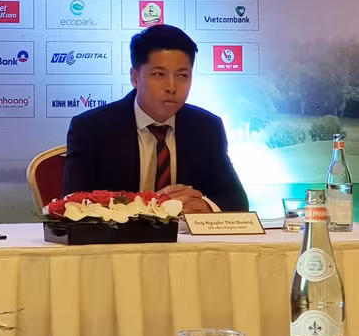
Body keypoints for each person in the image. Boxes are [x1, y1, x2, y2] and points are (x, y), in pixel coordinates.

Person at [62, 24, 248, 213]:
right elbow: (75, 204)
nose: (171, 87)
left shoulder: (207, 127)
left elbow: (237, 202)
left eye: (182, 75)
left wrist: (206, 206)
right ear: (135, 77)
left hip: (185, 233)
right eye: (159, 74)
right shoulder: (92, 128)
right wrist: (149, 206)